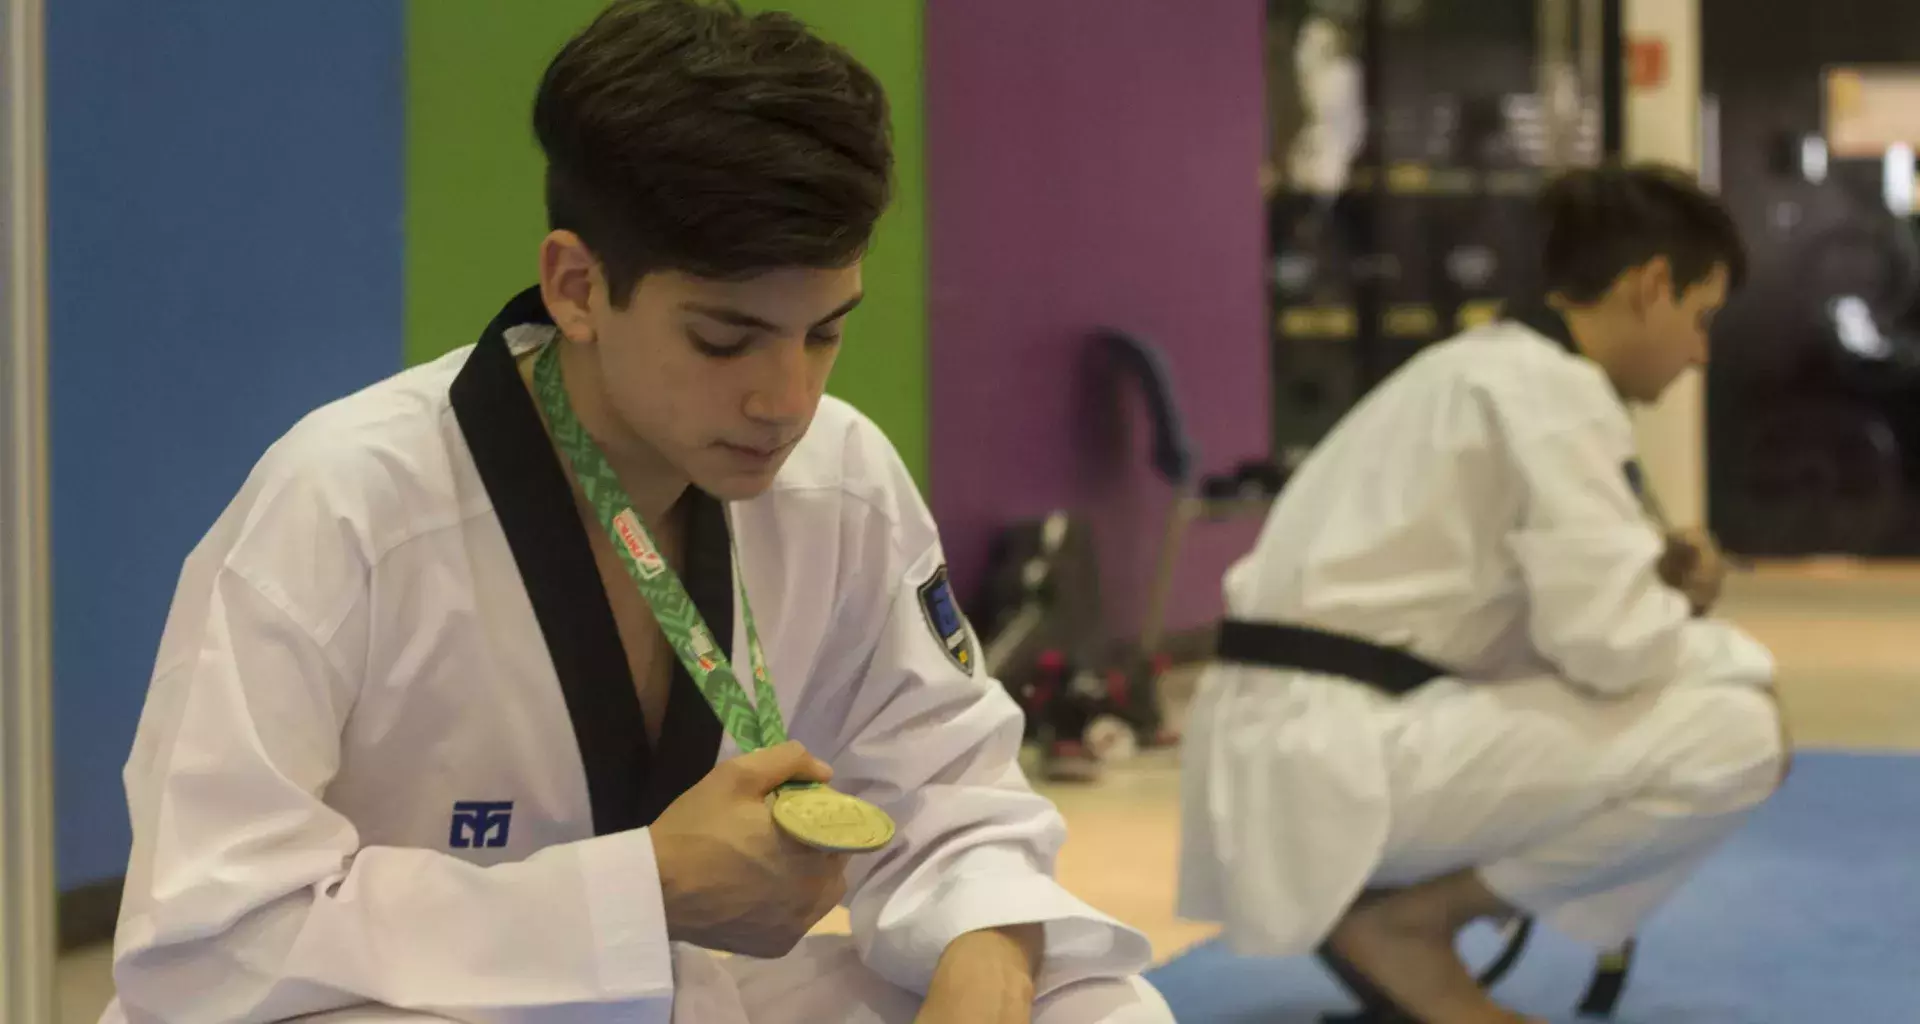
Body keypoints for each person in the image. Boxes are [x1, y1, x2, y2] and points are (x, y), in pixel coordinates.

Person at [101, 3, 1172, 1022]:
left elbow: (949, 791)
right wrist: (639, 889)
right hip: (424, 998)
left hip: (697, 993)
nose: (785, 399)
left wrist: (984, 971)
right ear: (575, 285)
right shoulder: (346, 504)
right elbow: (203, 944)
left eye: (824, 332)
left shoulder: (841, 476)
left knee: (1093, 1002)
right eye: (725, 338)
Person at [1177, 163, 1790, 1024]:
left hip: (1291, 741)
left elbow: (1536, 617)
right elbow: (1613, 651)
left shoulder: (1479, 368)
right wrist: (1687, 609)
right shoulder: (1556, 398)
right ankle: (1409, 927)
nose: (1700, 354)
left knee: (1709, 685)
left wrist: (1656, 584)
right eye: (1702, 318)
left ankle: (1395, 923)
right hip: (1334, 751)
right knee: (1740, 730)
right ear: (1652, 285)